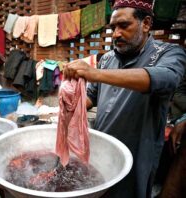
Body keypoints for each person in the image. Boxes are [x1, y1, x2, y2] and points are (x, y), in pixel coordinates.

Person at [63, 0, 186, 197]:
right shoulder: (108, 58)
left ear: (146, 24)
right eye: (113, 27)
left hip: (138, 154)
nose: (116, 34)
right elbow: (92, 95)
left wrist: (93, 73)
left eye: (124, 25)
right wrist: (69, 108)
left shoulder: (169, 53)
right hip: (102, 148)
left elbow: (166, 79)